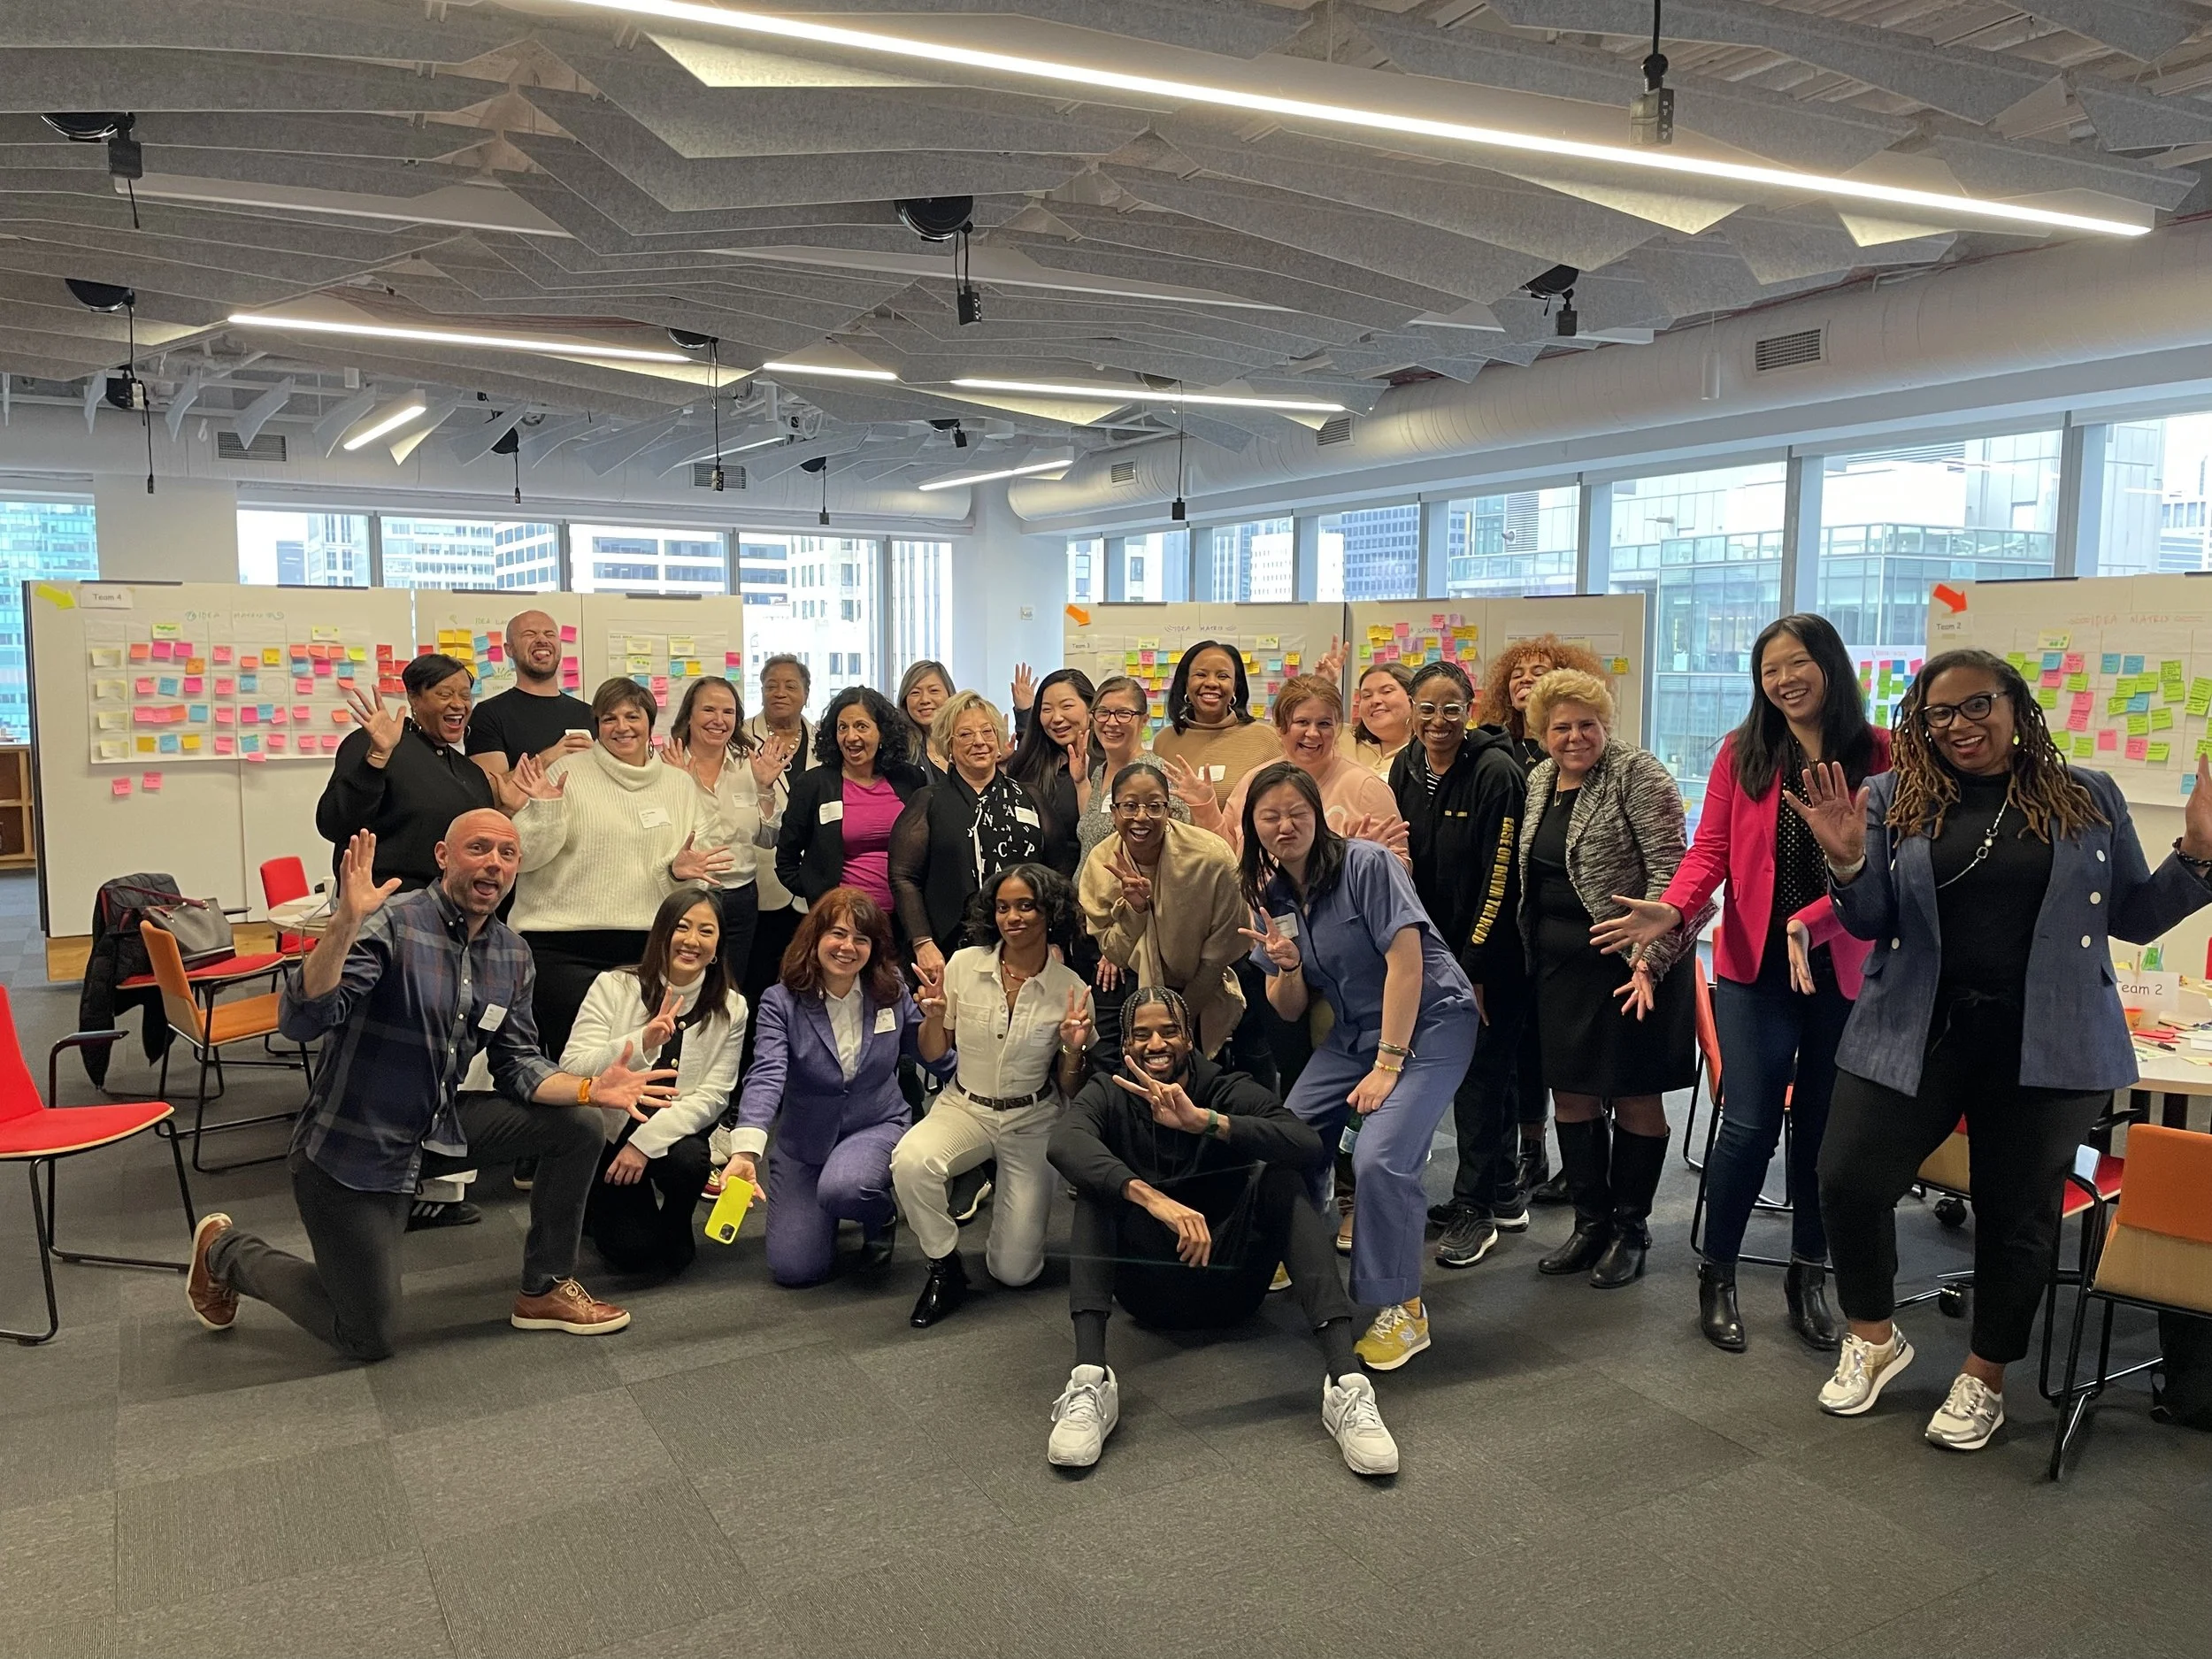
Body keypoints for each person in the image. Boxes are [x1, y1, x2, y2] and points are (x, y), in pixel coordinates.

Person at [1792, 649, 2212, 1452]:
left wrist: (2196, 854)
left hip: (2050, 1040)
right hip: (1914, 1027)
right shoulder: (1892, 794)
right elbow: (1871, 918)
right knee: (1847, 1176)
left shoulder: (2087, 794)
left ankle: (1984, 1375)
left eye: (1976, 704)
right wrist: (1846, 859)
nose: (1959, 725)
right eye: (1939, 713)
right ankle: (1873, 1335)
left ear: (2016, 704)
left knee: (2017, 1213)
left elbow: (2133, 916)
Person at [182, 818, 676, 1360]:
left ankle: (545, 1289)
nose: (494, 862)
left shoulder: (512, 954)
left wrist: (589, 1087)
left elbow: (517, 1064)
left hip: (436, 1127)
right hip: (354, 1148)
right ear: (443, 855)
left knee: (578, 1123)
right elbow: (303, 1020)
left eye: (508, 853)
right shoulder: (391, 922)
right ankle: (226, 1252)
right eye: (479, 848)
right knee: (367, 1336)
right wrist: (343, 926)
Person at [1594, 614, 1890, 1353]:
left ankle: (1808, 1273)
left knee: (1824, 1128)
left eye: (1797, 663)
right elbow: (1711, 850)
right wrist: (1674, 907)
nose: (1784, 680)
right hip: (1755, 967)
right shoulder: (1744, 751)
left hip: (1844, 963)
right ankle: (1718, 1273)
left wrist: (1813, 920)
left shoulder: (1881, 753)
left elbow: (1885, 867)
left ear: (1829, 664)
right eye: (1769, 670)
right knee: (1750, 1123)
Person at [1043, 987, 1399, 1476]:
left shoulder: (1223, 1086)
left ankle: (1347, 1384)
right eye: (1142, 1034)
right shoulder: (1109, 1090)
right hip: (1149, 1292)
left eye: (1169, 1031)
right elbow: (1063, 1143)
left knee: (1283, 1180)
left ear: (1189, 1039)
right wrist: (1153, 1199)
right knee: (1097, 1188)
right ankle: (1089, 1381)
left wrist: (1206, 1122)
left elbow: (1305, 1142)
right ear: (1125, 1045)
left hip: (1232, 1282)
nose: (1156, 1044)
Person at [1239, 763, 1478, 1371]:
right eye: (1270, 816)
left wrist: (1388, 1064)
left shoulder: (1367, 864)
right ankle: (1298, 1243)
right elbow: (1289, 1008)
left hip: (1431, 1021)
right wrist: (1288, 966)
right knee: (1286, 1137)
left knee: (1380, 1157)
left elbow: (1407, 963)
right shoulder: (1273, 896)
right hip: (1354, 1032)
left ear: (1318, 815)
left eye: (1297, 812)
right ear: (1253, 825)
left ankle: (1404, 1307)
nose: (1285, 826)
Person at [1517, 670, 1708, 1290]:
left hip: (1633, 968)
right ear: (1542, 732)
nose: (1575, 737)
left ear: (1606, 724)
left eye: (1587, 724)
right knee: (1571, 1095)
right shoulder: (1540, 780)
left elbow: (1674, 876)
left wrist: (1650, 961)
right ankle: (1590, 1223)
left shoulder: (1637, 773)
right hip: (1560, 971)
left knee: (1634, 1096)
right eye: (1561, 727)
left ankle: (1631, 1229)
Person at [892, 864, 1094, 1326]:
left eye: (1025, 906)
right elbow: (933, 1052)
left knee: (1014, 1272)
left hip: (1032, 1119)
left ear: (1050, 912)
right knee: (911, 1161)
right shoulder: (963, 965)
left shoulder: (1070, 989)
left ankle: (1004, 1189)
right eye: (1003, 907)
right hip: (965, 1107)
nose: (1012, 917)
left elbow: (1071, 1087)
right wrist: (934, 1016)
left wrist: (1072, 1048)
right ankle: (944, 1265)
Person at [1390, 661, 1537, 1270]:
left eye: (1451, 708)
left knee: (1480, 1077)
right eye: (1426, 708)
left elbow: (1500, 881)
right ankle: (1501, 1192)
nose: (1438, 720)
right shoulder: (1406, 765)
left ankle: (1474, 1207)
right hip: (1431, 947)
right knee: (1482, 1074)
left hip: (1491, 955)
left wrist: (1471, 967)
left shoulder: (1496, 773)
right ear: (1411, 711)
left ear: (1470, 710)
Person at [724, 887, 942, 1285]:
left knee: (845, 1187)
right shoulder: (780, 1001)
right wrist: (745, 1150)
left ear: (873, 947)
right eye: (837, 934)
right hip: (805, 1142)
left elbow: (931, 1053)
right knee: (795, 1270)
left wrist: (978, 1088)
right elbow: (767, 1074)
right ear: (815, 938)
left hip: (875, 1124)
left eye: (861, 938)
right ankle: (831, 1202)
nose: (848, 947)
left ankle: (879, 1214)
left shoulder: (889, 987)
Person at [506, 678, 729, 1061]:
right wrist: (544, 811)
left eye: (632, 716)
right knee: (573, 1064)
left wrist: (677, 874)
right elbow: (523, 857)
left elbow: (702, 864)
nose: (621, 727)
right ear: (597, 725)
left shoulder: (679, 784)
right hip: (562, 946)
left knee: (636, 1061)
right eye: (609, 718)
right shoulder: (566, 772)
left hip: (646, 948)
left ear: (650, 722)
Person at [1478, 634, 1609, 1202]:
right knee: (1526, 1051)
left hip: (1595, 943)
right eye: (1518, 672)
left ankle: (1576, 1172)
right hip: (1524, 930)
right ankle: (1530, 1154)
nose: (1526, 679)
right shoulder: (1498, 751)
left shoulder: (1591, 761)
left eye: (1540, 671)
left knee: (1578, 1062)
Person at [562, 887, 744, 1278]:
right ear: (662, 933)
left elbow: (715, 1095)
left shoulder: (732, 1007)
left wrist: (643, 1145)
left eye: (706, 931)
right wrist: (641, 1041)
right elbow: (573, 1066)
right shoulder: (614, 986)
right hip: (611, 1131)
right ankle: (596, 1204)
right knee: (632, 1253)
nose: (692, 941)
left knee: (689, 1161)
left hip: (670, 1132)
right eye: (682, 927)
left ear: (718, 946)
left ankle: (677, 1219)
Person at [1079, 762, 1248, 1061]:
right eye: (1130, 806)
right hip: (1137, 978)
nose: (1141, 817)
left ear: (1169, 810)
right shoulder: (1101, 863)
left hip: (1204, 978)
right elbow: (1115, 953)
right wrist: (1136, 909)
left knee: (1202, 1067)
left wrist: (1180, 1017)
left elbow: (1221, 950)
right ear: (1114, 812)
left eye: (1154, 806)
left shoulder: (1211, 858)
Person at [889, 692, 1042, 982]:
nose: (979, 741)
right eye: (966, 734)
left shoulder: (1029, 797)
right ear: (949, 744)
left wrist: (1053, 939)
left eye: (987, 732)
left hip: (1025, 944)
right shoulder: (928, 801)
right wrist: (922, 942)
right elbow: (903, 876)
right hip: (948, 948)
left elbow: (1057, 867)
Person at [317, 655, 495, 891]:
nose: (458, 704)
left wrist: (510, 809)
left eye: (465, 695)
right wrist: (377, 757)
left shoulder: (470, 772)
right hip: (384, 901)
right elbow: (334, 824)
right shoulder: (374, 744)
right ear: (414, 698)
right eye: (445, 694)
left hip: (456, 903)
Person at [1188, 674, 1407, 862]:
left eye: (1324, 724)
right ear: (1280, 726)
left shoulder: (1366, 787)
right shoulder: (1255, 781)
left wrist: (1364, 856)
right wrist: (1206, 811)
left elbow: (1402, 868)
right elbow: (1228, 857)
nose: (1312, 733)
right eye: (1302, 722)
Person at [665, 675, 796, 989]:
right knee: (682, 986)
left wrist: (765, 788)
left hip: (740, 898)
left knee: (730, 989)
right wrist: (679, 787)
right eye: (709, 710)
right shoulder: (666, 766)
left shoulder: (750, 766)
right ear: (689, 715)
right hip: (684, 895)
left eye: (728, 712)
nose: (719, 720)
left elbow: (769, 839)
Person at [776, 686, 929, 924]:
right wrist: (818, 894)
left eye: (861, 726)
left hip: (905, 918)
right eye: (842, 728)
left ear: (882, 732)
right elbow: (786, 860)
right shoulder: (814, 784)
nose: (851, 737)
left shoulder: (910, 779)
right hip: (839, 921)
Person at [741, 654, 818, 1048]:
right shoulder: (740, 738)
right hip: (762, 879)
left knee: (808, 982)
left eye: (790, 685)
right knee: (757, 982)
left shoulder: (825, 740)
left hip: (813, 883)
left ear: (806, 692)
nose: (780, 692)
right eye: (771, 685)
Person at [1150, 640, 1285, 812]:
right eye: (1201, 675)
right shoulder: (1164, 741)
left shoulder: (1266, 739)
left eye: (1223, 676)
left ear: (1235, 687)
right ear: (1185, 684)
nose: (1212, 683)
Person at [465, 609, 594, 781]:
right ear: (509, 649)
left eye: (550, 634)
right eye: (530, 634)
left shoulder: (590, 714)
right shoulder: (488, 715)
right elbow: (489, 790)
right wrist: (547, 759)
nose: (542, 640)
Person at [1075, 675, 1187, 862]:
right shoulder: (1099, 772)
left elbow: (1176, 853)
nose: (1111, 722)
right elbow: (1091, 833)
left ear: (1144, 720)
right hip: (1090, 880)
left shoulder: (1158, 775)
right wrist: (1080, 783)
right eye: (1103, 712)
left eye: (1123, 713)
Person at [1004, 667, 1102, 879]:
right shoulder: (1027, 764)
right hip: (1031, 883)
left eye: (1067, 706)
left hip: (1086, 882)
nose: (1056, 718)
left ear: (1091, 708)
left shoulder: (1106, 765)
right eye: (1047, 709)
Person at [1343, 661, 1415, 776]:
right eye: (1366, 696)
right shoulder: (1342, 737)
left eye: (1386, 691)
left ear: (1413, 696)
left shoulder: (1428, 752)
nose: (1375, 701)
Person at [897, 659, 956, 777]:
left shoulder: (968, 742)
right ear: (905, 701)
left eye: (934, 691)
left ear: (950, 695)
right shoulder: (899, 751)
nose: (924, 700)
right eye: (915, 693)